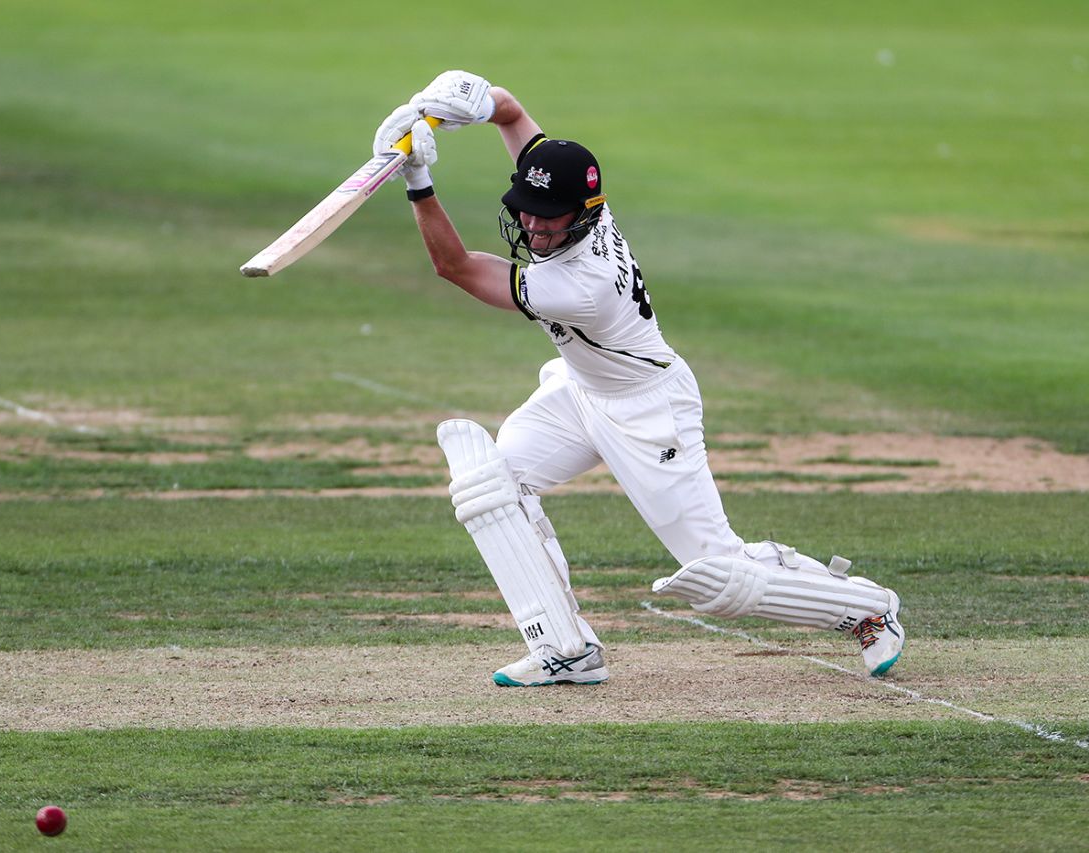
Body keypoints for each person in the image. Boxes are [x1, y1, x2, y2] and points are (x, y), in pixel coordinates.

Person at [372, 70, 904, 687]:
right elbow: (515, 116)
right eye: (528, 212)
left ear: (584, 213)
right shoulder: (571, 189)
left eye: (550, 219)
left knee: (716, 573)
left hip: (648, 409)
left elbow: (455, 267)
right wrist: (475, 99)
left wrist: (417, 179)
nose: (536, 229)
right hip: (580, 392)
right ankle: (565, 650)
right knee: (492, 486)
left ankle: (868, 607)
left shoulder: (579, 285)